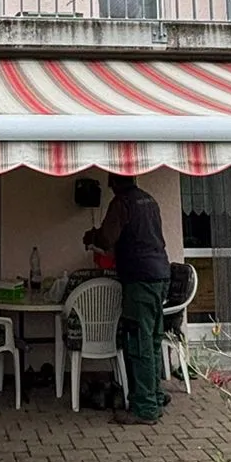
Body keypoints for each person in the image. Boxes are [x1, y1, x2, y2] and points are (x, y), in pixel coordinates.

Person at [84, 173, 170, 425]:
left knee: (138, 341)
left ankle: (144, 408)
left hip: (139, 279)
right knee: (153, 339)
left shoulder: (121, 203)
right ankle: (155, 395)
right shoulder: (149, 200)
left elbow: (107, 239)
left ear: (112, 183)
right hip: (161, 274)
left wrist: (92, 237)